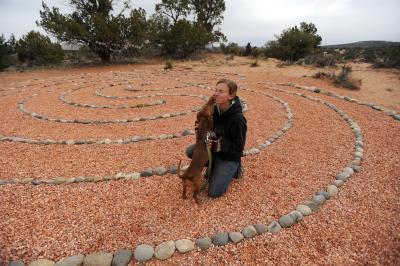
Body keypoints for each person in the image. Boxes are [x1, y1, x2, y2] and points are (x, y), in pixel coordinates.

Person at [186, 78, 247, 198]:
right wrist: (200, 128)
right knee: (190, 151)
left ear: (231, 96)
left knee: (214, 192)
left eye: (221, 91)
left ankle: (236, 169)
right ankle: (213, 165)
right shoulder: (213, 109)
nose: (215, 93)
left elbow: (239, 148)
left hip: (228, 156)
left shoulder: (238, 119)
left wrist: (218, 145)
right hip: (212, 148)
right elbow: (206, 127)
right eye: (216, 90)